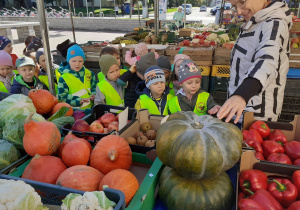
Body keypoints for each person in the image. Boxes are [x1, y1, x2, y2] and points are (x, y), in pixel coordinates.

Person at [217, 0, 293, 123]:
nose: (239, 11)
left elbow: (267, 62)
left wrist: (241, 95)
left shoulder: (274, 23)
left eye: (242, 2)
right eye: (234, 6)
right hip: (241, 110)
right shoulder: (257, 21)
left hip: (256, 117)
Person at [58, 44, 96, 109]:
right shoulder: (63, 78)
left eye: (80, 61)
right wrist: (78, 101)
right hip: (75, 111)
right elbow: (62, 98)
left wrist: (94, 94)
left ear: (84, 61)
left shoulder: (89, 73)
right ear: (68, 61)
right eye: (74, 61)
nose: (77, 64)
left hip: (91, 108)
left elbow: (94, 87)